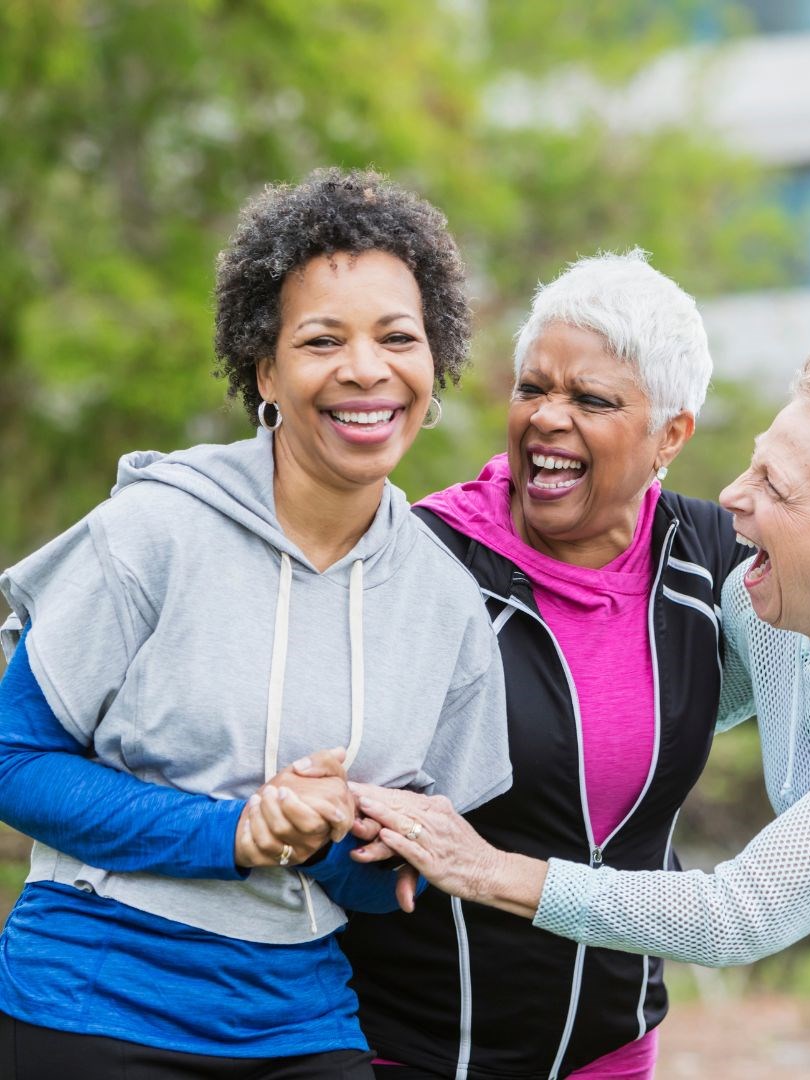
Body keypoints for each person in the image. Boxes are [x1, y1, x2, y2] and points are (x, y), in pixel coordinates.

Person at [334, 255, 810, 1080]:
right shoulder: (421, 562)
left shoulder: (717, 564)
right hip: (411, 1045)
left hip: (613, 1043)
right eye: (533, 389)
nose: (548, 418)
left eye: (592, 399)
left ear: (671, 434)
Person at [0, 168, 510, 1078]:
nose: (367, 369)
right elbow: (14, 760)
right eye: (322, 340)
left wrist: (333, 834)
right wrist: (237, 833)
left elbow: (399, 881)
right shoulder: (152, 531)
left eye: (399, 337)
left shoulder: (445, 603)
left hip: (299, 1018)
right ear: (266, 369)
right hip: (92, 997)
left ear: (434, 368)